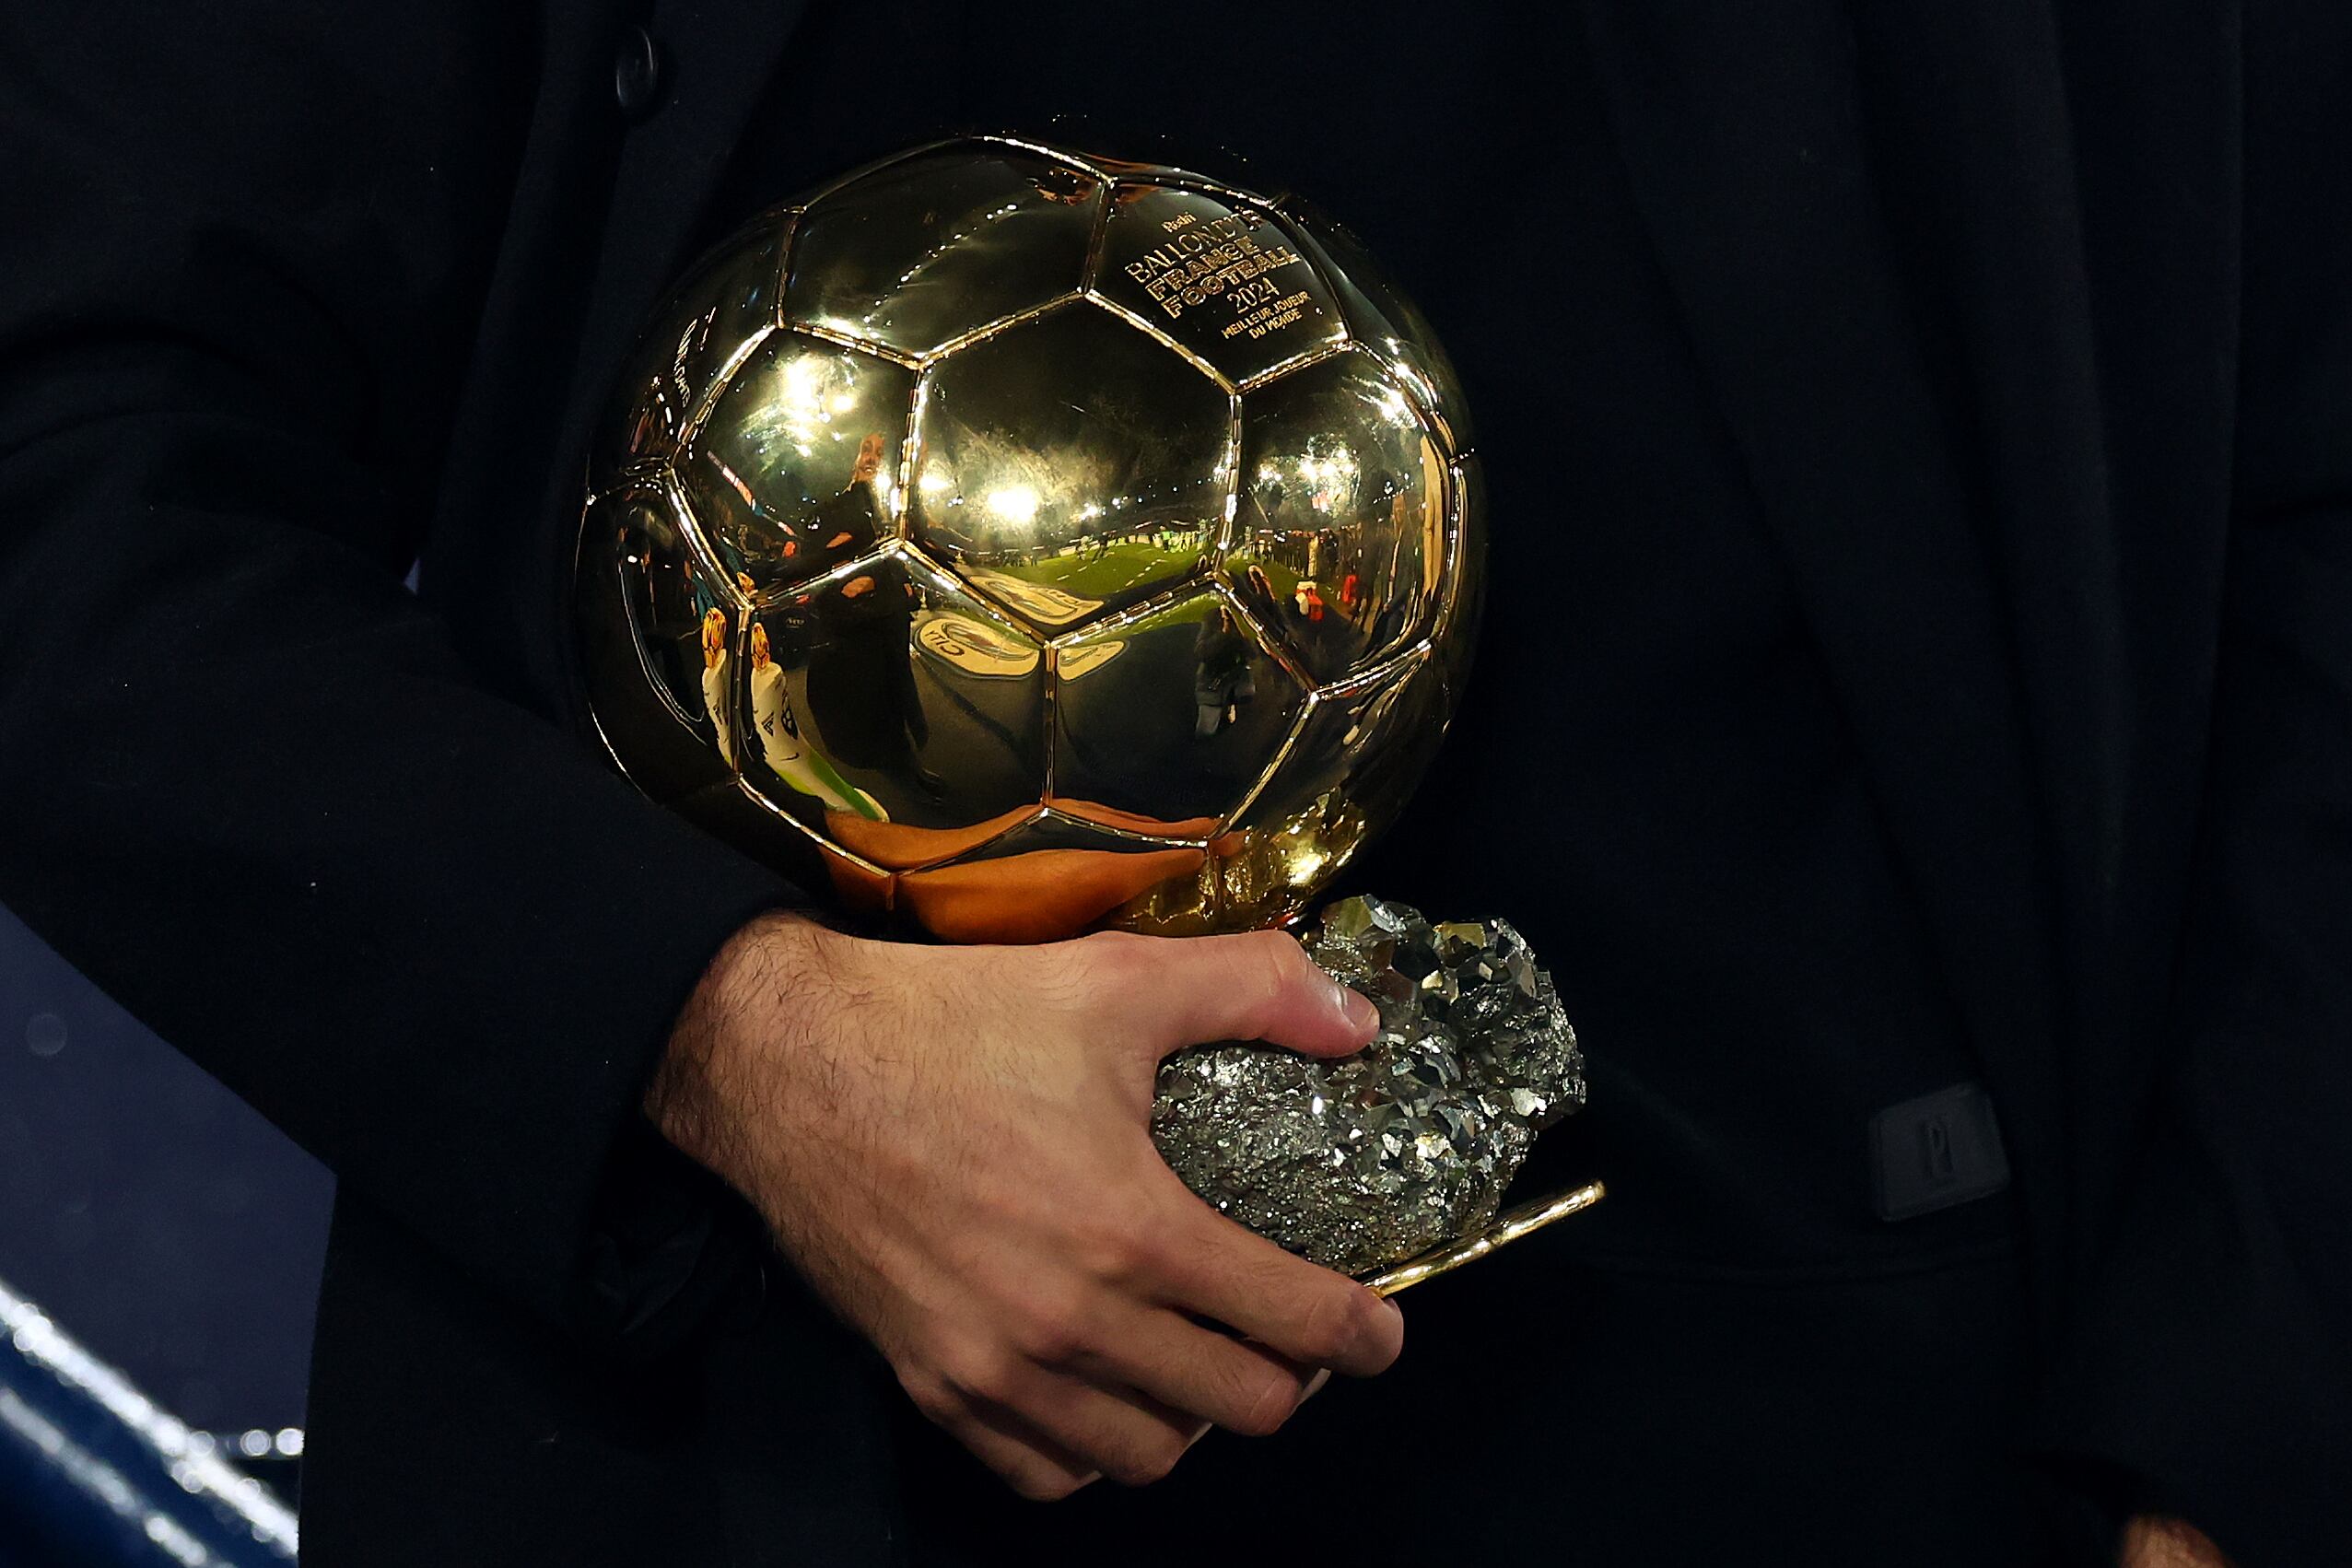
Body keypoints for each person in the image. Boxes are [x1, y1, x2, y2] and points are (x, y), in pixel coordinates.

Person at [0, 3, 2345, 1566]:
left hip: (1890, 1405)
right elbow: (65, 438)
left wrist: (2226, 1431)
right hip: (775, 1420)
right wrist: (727, 1039)